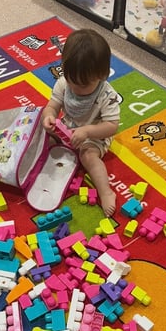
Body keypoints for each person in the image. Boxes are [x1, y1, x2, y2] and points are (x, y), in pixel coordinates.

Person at [41, 28, 120, 217]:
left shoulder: (106, 95)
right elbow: (52, 106)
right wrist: (49, 117)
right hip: (66, 128)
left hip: (94, 136)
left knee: (88, 157)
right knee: (41, 135)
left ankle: (106, 191)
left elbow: (111, 126)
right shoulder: (63, 83)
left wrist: (87, 131)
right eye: (71, 81)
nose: (76, 88)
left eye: (83, 85)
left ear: (102, 75)